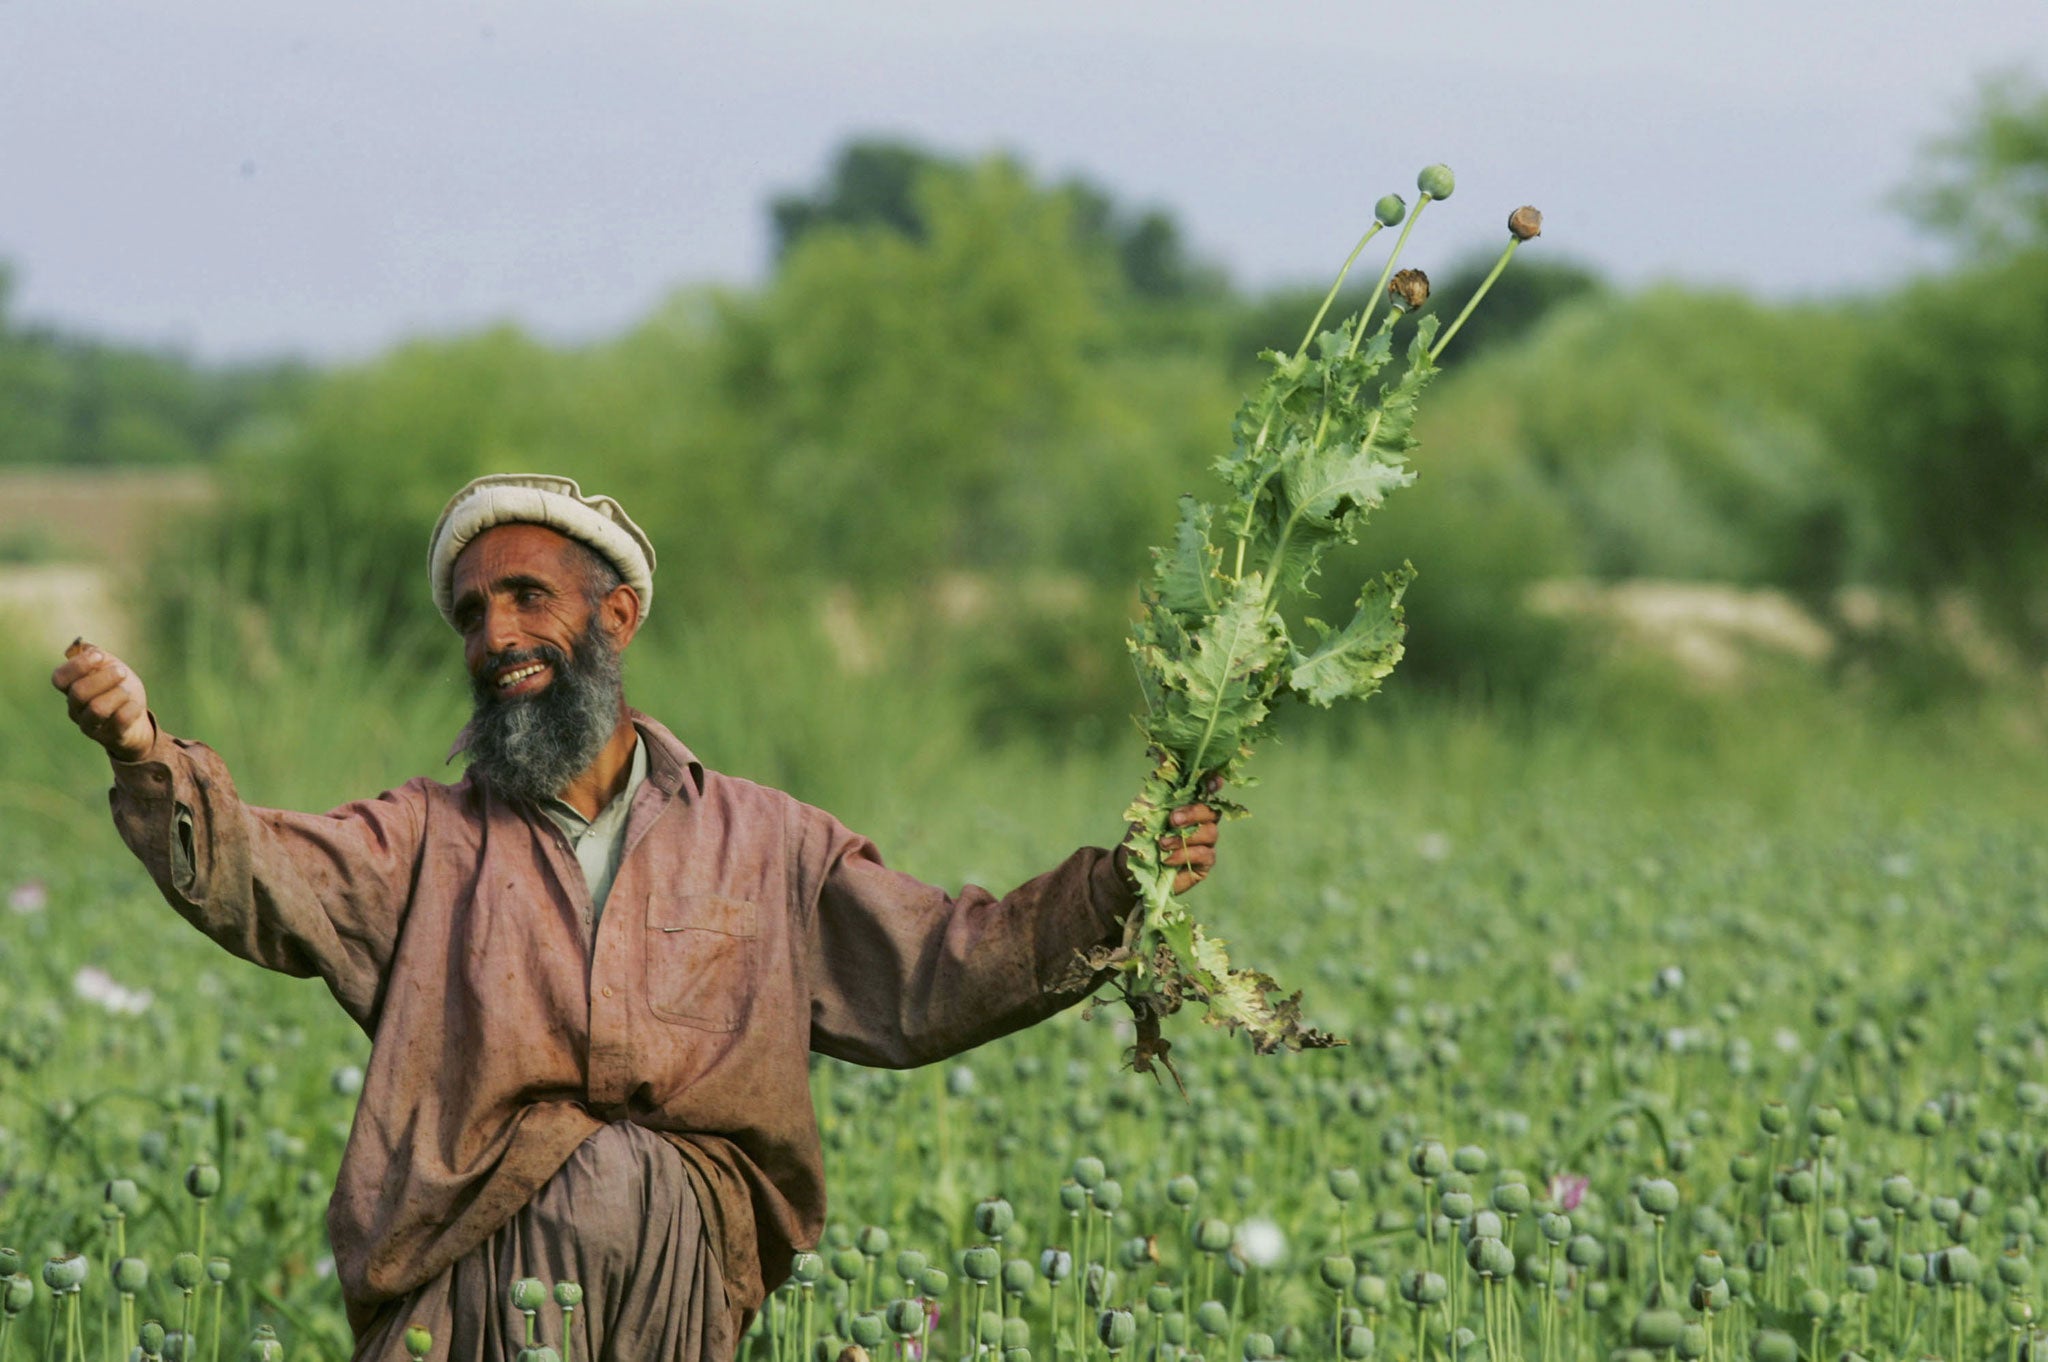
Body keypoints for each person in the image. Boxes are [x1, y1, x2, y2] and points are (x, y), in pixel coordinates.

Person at [52, 473, 1222, 1362]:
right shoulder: (422, 840)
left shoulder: (767, 842)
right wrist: (147, 755)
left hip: (684, 1266)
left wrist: (1121, 886)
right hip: (475, 1280)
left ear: (614, 618)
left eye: (526, 599)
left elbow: (938, 965)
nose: (496, 636)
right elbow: (258, 871)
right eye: (471, 614)